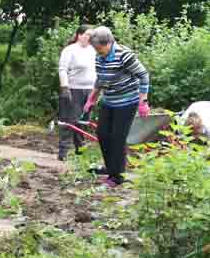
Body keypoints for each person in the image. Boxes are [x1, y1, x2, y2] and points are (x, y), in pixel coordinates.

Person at [83, 26, 151, 187]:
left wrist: (143, 102)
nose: (98, 52)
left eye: (100, 49)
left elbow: (143, 75)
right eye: (96, 50)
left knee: (117, 137)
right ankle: (110, 168)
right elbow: (100, 78)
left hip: (127, 102)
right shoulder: (99, 56)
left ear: (109, 43)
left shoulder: (124, 55)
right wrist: (92, 99)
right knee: (102, 133)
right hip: (109, 100)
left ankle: (117, 177)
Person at [56, 25, 96, 160]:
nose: (90, 38)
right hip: (73, 89)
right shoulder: (70, 50)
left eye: (92, 35)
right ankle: (63, 153)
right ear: (79, 35)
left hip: (90, 90)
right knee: (69, 121)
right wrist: (65, 87)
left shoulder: (94, 50)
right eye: (88, 35)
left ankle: (80, 151)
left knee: (83, 122)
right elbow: (63, 70)